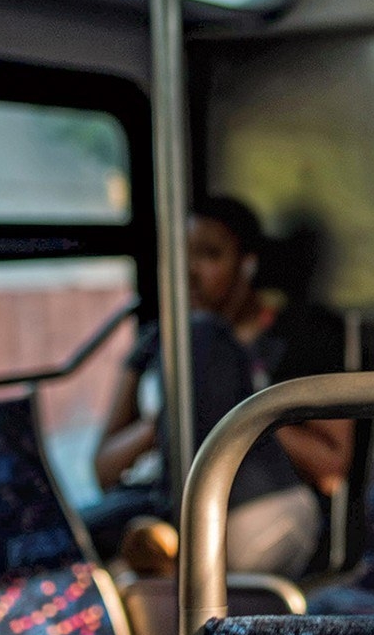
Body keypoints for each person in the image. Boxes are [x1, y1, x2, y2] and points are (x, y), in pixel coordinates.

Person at [86, 195, 353, 578]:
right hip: (170, 498)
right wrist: (174, 417)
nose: (190, 272)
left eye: (209, 255)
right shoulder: (159, 341)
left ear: (247, 265)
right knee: (76, 544)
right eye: (180, 258)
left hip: (265, 502)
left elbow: (330, 469)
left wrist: (240, 406)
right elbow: (105, 470)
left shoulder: (301, 339)